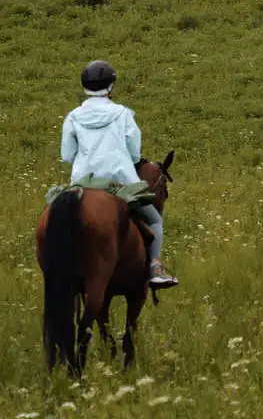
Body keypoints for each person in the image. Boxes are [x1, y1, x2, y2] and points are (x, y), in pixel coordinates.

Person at [60, 60, 178, 289]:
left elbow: (67, 155)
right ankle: (155, 266)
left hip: (83, 182)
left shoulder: (73, 116)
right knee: (154, 219)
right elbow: (134, 154)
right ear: (110, 86)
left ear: (85, 86)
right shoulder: (122, 114)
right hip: (119, 182)